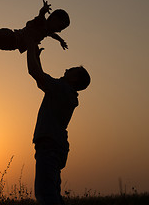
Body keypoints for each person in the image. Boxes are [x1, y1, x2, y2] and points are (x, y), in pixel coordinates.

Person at [26, 38, 90, 205]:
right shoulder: (66, 93)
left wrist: (30, 45)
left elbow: (35, 73)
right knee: (52, 193)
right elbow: (41, 77)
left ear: (75, 80)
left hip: (49, 146)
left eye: (73, 70)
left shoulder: (61, 89)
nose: (67, 68)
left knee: (45, 195)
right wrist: (35, 55)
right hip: (56, 146)